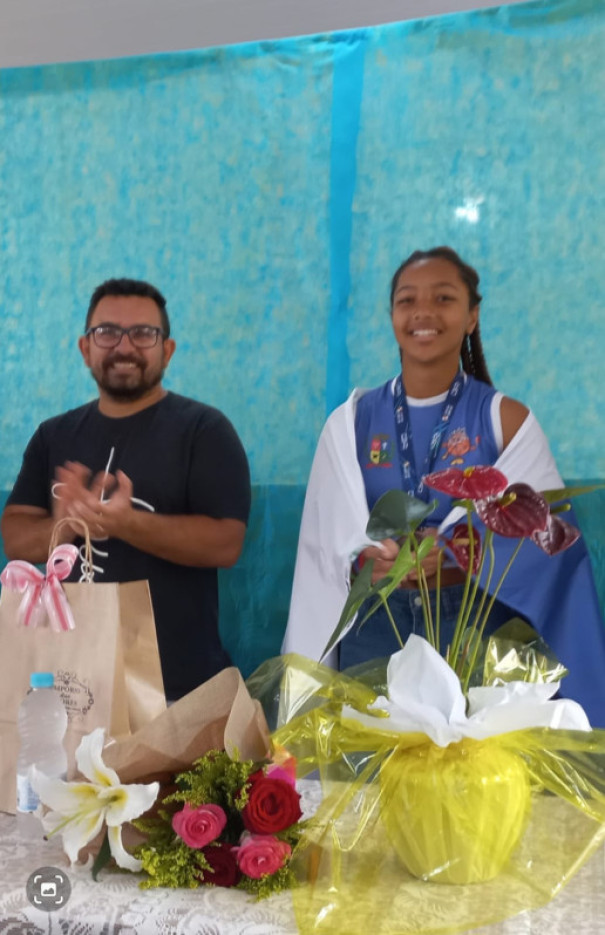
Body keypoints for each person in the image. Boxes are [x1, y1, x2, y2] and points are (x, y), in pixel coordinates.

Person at [282, 247, 605, 725]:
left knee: (473, 785)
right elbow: (323, 540)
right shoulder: (351, 421)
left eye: (444, 298)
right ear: (392, 315)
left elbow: (550, 540)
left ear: (472, 315)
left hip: (472, 625)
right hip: (376, 621)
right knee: (371, 782)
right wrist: (366, 551)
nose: (424, 313)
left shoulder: (504, 420)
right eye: (407, 300)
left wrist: (459, 548)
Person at [1, 278, 251, 701]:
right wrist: (63, 526)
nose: (124, 346)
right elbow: (15, 540)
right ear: (85, 348)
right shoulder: (52, 436)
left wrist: (126, 523)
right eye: (107, 332)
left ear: (166, 350)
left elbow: (226, 544)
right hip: (68, 689)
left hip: (177, 690)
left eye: (143, 333)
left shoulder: (204, 431)